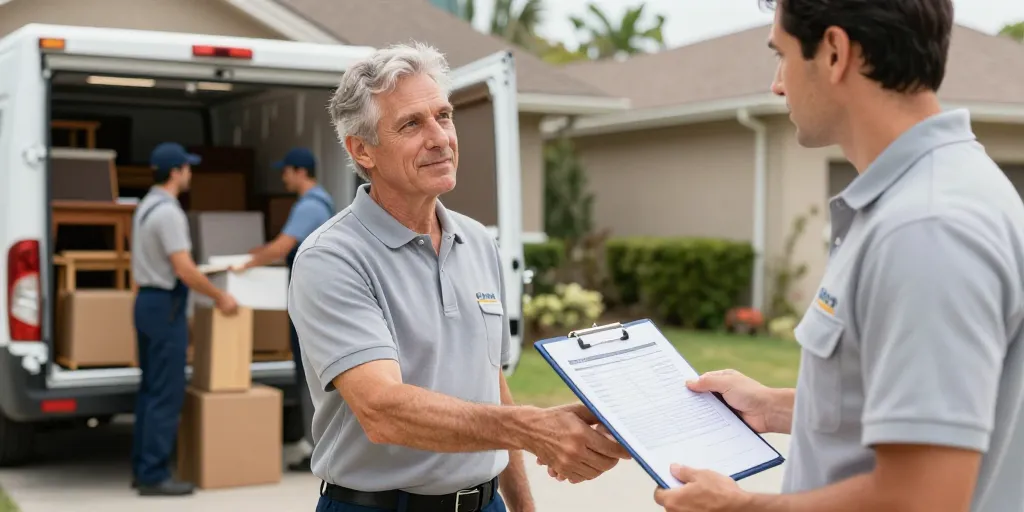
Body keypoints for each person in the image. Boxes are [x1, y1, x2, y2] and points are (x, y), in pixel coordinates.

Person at [650, 1, 1024, 511]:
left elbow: (923, 498)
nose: (777, 85)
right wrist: (774, 407)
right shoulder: (927, 198)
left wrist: (740, 508)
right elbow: (917, 409)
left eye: (781, 55)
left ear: (833, 53)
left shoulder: (927, 228)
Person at [287, 42, 631, 512]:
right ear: (362, 150)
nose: (439, 137)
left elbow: (491, 387)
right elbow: (382, 411)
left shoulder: (477, 241)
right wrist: (533, 428)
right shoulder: (332, 257)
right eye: (411, 123)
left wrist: (523, 506)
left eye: (443, 116)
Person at [130, 142, 238, 497]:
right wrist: (220, 295)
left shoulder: (145, 206)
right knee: (166, 392)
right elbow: (184, 269)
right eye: (187, 167)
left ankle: (143, 469)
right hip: (165, 306)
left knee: (149, 390)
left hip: (146, 302)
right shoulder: (169, 213)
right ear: (175, 171)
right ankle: (154, 475)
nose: (190, 173)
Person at [237, 147, 335, 471]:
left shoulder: (310, 206)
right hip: (313, 303)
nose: (283, 177)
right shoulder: (320, 201)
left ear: (299, 171)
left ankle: (316, 448)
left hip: (310, 309)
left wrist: (246, 263)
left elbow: (283, 247)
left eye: (286, 171)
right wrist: (260, 251)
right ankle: (317, 445)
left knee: (310, 377)